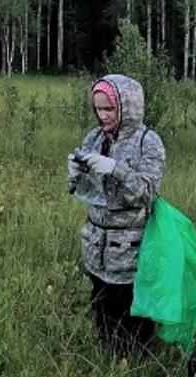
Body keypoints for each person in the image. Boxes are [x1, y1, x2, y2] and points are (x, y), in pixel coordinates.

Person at [68, 74, 166, 355]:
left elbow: (148, 192)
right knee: (102, 311)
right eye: (98, 108)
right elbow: (87, 192)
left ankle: (136, 365)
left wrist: (116, 169)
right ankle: (108, 359)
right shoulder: (94, 137)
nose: (102, 115)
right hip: (96, 245)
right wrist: (76, 175)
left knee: (130, 315)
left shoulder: (148, 142)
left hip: (129, 250)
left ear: (127, 106)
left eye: (109, 109)